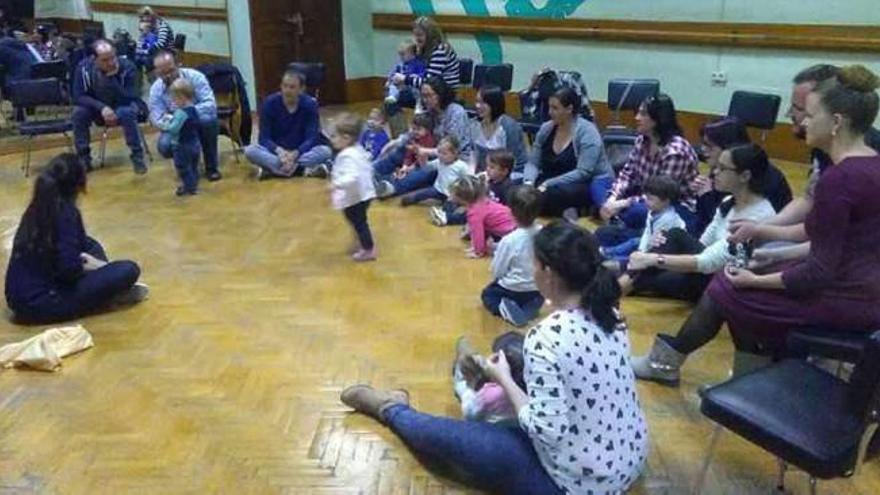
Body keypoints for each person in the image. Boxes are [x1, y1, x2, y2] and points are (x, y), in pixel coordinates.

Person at [340, 222, 649, 494]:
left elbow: (545, 430)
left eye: (534, 263)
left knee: (447, 437)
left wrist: (505, 379)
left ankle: (391, 409)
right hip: (627, 456)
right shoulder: (609, 311)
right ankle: (477, 378)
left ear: (547, 272)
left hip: (574, 483)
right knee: (511, 347)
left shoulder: (548, 336)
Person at [632, 65, 880, 386]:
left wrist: (754, 281)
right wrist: (771, 252)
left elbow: (819, 271)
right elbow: (824, 236)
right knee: (738, 277)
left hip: (849, 299)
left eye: (811, 114)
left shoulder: (840, 179)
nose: (803, 121)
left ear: (836, 122)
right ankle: (752, 378)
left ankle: (670, 365)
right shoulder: (870, 161)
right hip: (863, 288)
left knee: (727, 288)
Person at [727, 64, 880, 248]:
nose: (790, 114)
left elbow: (835, 243)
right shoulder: (824, 145)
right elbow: (809, 200)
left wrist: (764, 238)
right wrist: (761, 226)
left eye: (801, 109)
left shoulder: (857, 161)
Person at [621, 144, 777, 303]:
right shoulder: (729, 201)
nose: (715, 172)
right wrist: (663, 249)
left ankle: (617, 286)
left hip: (726, 282)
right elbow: (702, 244)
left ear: (745, 176)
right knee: (664, 245)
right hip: (705, 270)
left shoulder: (759, 216)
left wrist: (654, 258)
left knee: (665, 249)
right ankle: (619, 278)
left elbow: (708, 262)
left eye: (722, 169)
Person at [5, 154, 147, 324]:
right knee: (129, 269)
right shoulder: (67, 214)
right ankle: (107, 289)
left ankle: (104, 283)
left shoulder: (36, 208)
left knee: (90, 243)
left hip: (19, 298)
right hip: (43, 303)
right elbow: (68, 272)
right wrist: (96, 266)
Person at [600, 94, 700, 235]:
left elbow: (661, 194)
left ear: (657, 119)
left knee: (636, 212)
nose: (637, 118)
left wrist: (623, 203)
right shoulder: (642, 140)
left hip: (671, 204)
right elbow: (628, 173)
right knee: (599, 182)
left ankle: (613, 216)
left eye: (643, 114)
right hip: (642, 194)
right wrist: (613, 197)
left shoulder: (675, 151)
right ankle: (614, 215)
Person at [523, 87, 613, 219]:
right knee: (517, 188)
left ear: (569, 109)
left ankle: (578, 211)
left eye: (555, 108)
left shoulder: (587, 132)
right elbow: (533, 163)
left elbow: (583, 172)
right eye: (549, 107)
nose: (550, 112)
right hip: (549, 179)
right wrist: (528, 183)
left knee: (551, 195)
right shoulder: (546, 129)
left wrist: (548, 183)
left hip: (582, 182)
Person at [373, 77, 471, 198]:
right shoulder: (429, 110)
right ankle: (373, 172)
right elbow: (413, 132)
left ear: (441, 94)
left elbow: (451, 147)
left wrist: (423, 151)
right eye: (423, 96)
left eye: (429, 96)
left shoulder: (456, 112)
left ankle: (392, 186)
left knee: (427, 168)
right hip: (429, 150)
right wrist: (396, 141)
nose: (425, 100)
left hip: (450, 158)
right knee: (403, 148)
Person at [694, 117, 792, 234]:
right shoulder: (724, 167)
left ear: (728, 146)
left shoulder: (751, 175)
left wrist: (706, 195)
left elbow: (725, 224)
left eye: (709, 146)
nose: (703, 149)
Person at [71, 39, 147, 173]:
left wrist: (112, 80)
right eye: (105, 60)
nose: (111, 63)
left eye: (113, 58)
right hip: (96, 108)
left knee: (127, 112)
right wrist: (102, 108)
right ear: (94, 59)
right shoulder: (83, 68)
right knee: (78, 113)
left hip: (122, 104)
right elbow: (78, 96)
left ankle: (137, 155)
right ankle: (84, 158)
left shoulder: (128, 67)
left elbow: (131, 96)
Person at [244, 69, 333, 180]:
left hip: (300, 153)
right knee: (250, 151)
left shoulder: (310, 104)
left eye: (292, 87)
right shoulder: (269, 103)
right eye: (285, 86)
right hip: (277, 154)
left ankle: (273, 171)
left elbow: (312, 137)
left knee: (326, 151)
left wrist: (296, 153)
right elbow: (264, 138)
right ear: (280, 86)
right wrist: (279, 151)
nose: (287, 91)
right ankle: (301, 170)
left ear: (301, 89)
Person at [149, 50, 222, 181]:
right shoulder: (155, 89)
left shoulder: (196, 77)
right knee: (164, 146)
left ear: (178, 64)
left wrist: (186, 114)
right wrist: (174, 122)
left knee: (209, 121)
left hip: (198, 120)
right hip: (175, 126)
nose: (168, 76)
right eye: (163, 73)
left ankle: (211, 168)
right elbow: (157, 118)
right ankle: (187, 167)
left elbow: (210, 104)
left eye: (171, 70)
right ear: (156, 73)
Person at [481, 185, 545, 327]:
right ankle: (528, 309)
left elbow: (497, 271)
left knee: (487, 294)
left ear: (511, 212)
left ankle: (505, 310)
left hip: (512, 289)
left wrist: (496, 251)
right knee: (533, 297)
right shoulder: (543, 232)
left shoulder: (509, 240)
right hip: (537, 288)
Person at [600, 176, 685, 267]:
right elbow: (647, 233)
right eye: (646, 197)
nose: (646, 201)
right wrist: (641, 248)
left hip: (663, 254)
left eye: (650, 199)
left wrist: (641, 253)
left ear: (666, 201)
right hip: (651, 243)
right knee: (635, 242)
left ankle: (611, 259)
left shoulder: (668, 220)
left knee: (633, 258)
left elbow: (655, 247)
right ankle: (607, 252)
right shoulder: (653, 211)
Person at [330, 113, 377, 262]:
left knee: (358, 221)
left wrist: (336, 184)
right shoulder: (357, 149)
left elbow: (352, 177)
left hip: (357, 196)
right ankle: (360, 240)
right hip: (363, 193)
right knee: (355, 218)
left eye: (333, 136)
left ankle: (368, 248)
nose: (331, 140)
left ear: (346, 138)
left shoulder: (347, 155)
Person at [452, 332, 524, 424]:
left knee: (461, 375)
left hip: (496, 428)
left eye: (498, 357)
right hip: (519, 422)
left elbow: (470, 417)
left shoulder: (483, 398)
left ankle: (462, 368)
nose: (492, 357)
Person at [431, 149, 514, 227]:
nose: (487, 169)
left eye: (492, 167)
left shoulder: (507, 188)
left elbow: (506, 210)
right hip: (480, 205)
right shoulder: (490, 180)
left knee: (469, 214)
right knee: (454, 199)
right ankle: (444, 212)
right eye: (487, 166)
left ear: (504, 171)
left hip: (490, 214)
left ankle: (447, 218)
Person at [450, 176, 517, 259]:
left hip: (512, 231)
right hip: (516, 224)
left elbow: (477, 233)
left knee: (501, 250)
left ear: (462, 198)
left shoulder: (474, 212)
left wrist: (478, 251)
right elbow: (484, 229)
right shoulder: (483, 201)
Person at [155, 79, 201, 196]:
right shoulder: (193, 109)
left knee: (183, 167)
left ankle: (189, 187)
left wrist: (163, 125)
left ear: (182, 97)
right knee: (193, 166)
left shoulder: (180, 113)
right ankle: (194, 183)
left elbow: (174, 128)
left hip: (181, 145)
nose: (173, 101)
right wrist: (172, 118)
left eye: (174, 98)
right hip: (194, 143)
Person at [471, 85, 529, 176]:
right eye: (477, 101)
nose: (477, 106)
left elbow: (515, 162)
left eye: (483, 103)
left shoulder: (509, 126)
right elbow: (473, 155)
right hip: (484, 175)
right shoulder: (474, 125)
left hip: (508, 175)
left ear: (494, 104)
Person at [397, 136, 469, 207]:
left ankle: (444, 212)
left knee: (450, 206)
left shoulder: (461, 166)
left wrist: (462, 194)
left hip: (452, 195)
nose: (440, 156)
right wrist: (423, 159)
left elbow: (469, 180)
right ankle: (411, 199)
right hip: (437, 189)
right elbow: (427, 167)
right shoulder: (439, 162)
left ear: (455, 153)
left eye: (444, 153)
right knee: (423, 194)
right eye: (439, 153)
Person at [384, 40, 426, 109]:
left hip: (411, 86)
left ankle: (419, 105)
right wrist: (389, 80)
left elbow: (422, 75)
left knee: (416, 90)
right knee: (391, 87)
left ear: (412, 54)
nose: (401, 57)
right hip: (400, 86)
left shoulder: (418, 64)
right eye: (400, 54)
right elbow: (393, 73)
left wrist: (415, 76)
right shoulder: (400, 64)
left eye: (403, 54)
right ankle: (392, 97)